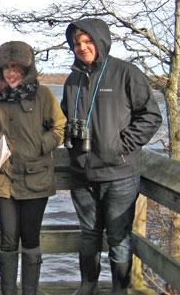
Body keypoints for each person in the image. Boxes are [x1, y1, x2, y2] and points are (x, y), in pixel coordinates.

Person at [61, 18, 162, 295]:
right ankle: (88, 285)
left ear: (100, 40)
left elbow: (151, 116)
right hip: (82, 173)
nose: (82, 47)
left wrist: (121, 145)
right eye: (77, 43)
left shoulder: (126, 73)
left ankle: (120, 289)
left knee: (118, 237)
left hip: (120, 174)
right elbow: (63, 118)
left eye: (88, 41)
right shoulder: (72, 79)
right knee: (88, 235)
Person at [0, 41, 67, 295]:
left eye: (16, 67)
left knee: (30, 238)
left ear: (27, 68)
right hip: (4, 178)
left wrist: (41, 145)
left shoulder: (43, 96)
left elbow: (59, 127)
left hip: (36, 178)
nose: (11, 72)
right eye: (6, 67)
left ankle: (30, 291)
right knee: (8, 240)